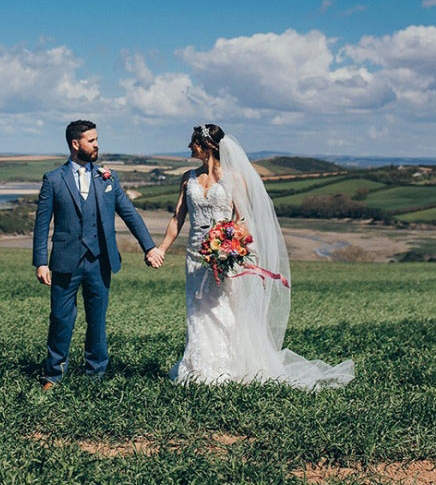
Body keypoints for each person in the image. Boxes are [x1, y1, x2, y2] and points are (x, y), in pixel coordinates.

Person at [155, 123, 354, 388]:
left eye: (193, 142)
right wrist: (162, 249)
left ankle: (226, 367)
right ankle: (198, 367)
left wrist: (230, 246)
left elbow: (243, 218)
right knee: (197, 309)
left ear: (206, 146)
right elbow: (177, 217)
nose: (189, 147)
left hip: (224, 255)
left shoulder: (233, 178)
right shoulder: (187, 177)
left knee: (223, 309)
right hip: (195, 254)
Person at [33, 120, 165, 389]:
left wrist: (149, 247)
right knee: (60, 318)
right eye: (91, 140)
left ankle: (96, 375)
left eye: (96, 139)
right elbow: (41, 223)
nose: (96, 145)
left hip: (100, 261)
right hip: (64, 262)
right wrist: (41, 261)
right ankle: (54, 375)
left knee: (97, 319)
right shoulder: (54, 179)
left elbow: (129, 213)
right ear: (75, 144)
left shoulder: (108, 177)